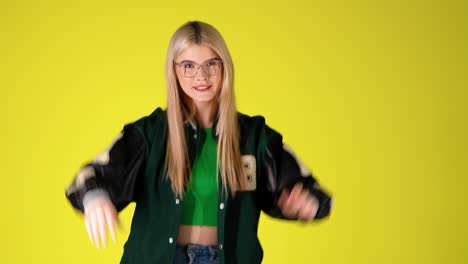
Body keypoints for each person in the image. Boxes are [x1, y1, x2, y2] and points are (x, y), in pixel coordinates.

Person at [65, 21, 332, 264]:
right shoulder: (149, 134)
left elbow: (311, 191)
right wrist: (95, 196)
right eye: (189, 66)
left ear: (224, 66)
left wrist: (308, 203)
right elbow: (89, 176)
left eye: (211, 64)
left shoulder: (255, 137)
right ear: (175, 70)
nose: (201, 77)